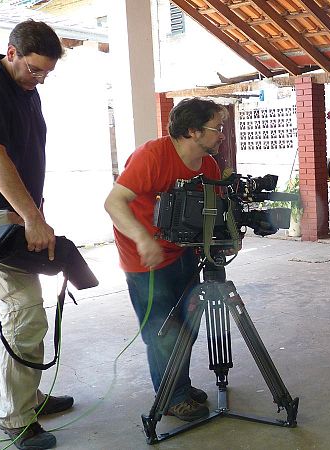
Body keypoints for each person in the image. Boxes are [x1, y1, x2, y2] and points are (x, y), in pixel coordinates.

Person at [0, 20, 71, 449]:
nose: (40, 79)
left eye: (47, 72)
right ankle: (13, 415)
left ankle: (26, 396)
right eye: (34, 69)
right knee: (24, 313)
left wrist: (36, 214)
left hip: (25, 214)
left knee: (25, 312)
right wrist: (31, 217)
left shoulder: (26, 90)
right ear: (11, 53)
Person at [104, 98, 226, 422]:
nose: (222, 135)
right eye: (217, 128)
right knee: (163, 329)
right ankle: (172, 397)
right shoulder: (152, 156)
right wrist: (142, 238)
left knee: (187, 325)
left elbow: (214, 213)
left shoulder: (209, 166)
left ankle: (178, 385)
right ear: (193, 131)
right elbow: (114, 202)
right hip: (144, 255)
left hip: (184, 251)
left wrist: (225, 240)